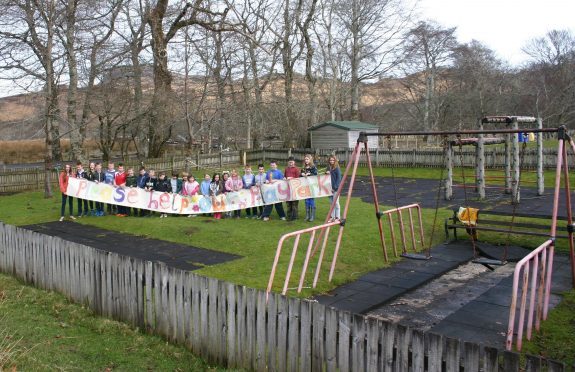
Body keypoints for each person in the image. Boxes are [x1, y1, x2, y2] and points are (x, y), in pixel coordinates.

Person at [301, 154, 318, 222]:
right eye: (305, 159)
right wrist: (302, 174)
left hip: (312, 186)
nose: (306, 160)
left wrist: (309, 174)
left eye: (307, 159)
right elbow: (300, 174)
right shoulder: (303, 167)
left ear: (310, 160)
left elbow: (316, 174)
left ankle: (312, 216)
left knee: (311, 201)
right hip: (305, 186)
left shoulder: (313, 167)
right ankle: (307, 215)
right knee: (306, 201)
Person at [284, 156, 300, 221]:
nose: (291, 163)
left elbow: (298, 179)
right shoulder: (286, 169)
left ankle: (295, 216)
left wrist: (291, 178)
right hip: (288, 188)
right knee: (288, 203)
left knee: (294, 203)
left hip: (294, 188)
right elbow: (284, 176)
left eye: (292, 162)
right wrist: (285, 178)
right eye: (290, 162)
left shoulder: (296, 169)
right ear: (288, 162)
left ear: (294, 162)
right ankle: (289, 216)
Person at [327, 154, 342, 222]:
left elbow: (339, 179)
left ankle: (337, 217)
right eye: (330, 160)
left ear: (335, 161)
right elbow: (326, 177)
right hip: (329, 188)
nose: (331, 161)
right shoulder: (329, 168)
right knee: (331, 203)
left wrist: (335, 188)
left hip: (335, 189)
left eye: (333, 160)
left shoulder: (337, 168)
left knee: (336, 203)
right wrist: (326, 173)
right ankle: (332, 217)